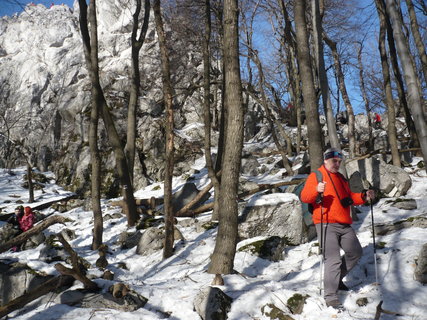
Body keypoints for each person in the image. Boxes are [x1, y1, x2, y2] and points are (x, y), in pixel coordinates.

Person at [300, 147, 375, 310]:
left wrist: (363, 195)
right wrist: (316, 190)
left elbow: (349, 198)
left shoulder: (340, 178)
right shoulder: (317, 176)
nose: (337, 164)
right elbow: (305, 196)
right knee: (332, 259)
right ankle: (331, 297)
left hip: (344, 223)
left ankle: (335, 279)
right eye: (334, 161)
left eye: (339, 161)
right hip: (325, 222)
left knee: (355, 252)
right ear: (326, 160)